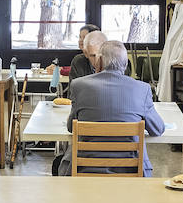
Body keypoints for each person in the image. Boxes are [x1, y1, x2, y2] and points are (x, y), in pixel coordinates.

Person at [61, 39, 163, 176]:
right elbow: (158, 129)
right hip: (131, 169)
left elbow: (70, 127)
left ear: (100, 61)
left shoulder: (78, 85)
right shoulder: (142, 89)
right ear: (126, 63)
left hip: (86, 168)